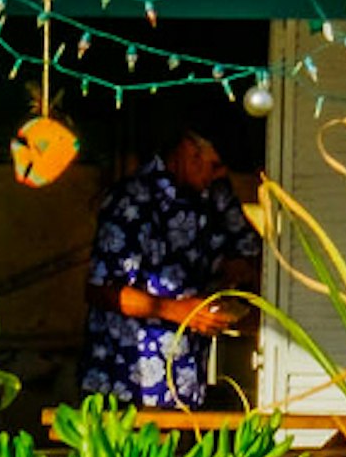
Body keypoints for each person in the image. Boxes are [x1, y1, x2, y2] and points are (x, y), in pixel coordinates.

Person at [81, 129, 260, 410]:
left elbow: (246, 249)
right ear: (189, 151)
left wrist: (236, 270)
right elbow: (101, 291)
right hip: (128, 386)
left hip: (188, 385)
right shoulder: (132, 199)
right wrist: (178, 311)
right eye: (212, 167)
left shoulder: (214, 193)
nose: (215, 179)